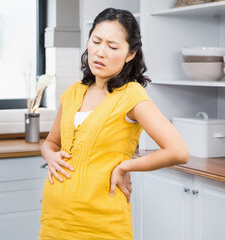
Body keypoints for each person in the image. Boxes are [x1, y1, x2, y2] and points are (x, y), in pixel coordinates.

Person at [39, 7, 189, 240]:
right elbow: (50, 142)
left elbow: (178, 151)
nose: (100, 52)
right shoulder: (72, 93)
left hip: (102, 223)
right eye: (96, 41)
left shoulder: (131, 95)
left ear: (131, 54)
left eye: (112, 46)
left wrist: (126, 166)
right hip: (55, 220)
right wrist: (49, 156)